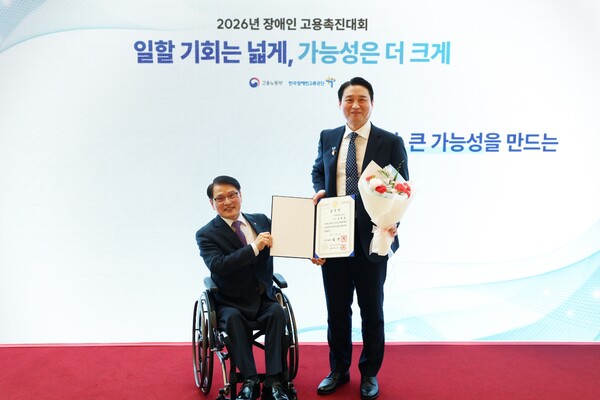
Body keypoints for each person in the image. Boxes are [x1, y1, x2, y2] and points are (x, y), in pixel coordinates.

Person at [311, 77, 409, 400]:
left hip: (372, 239)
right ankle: (338, 370)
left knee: (372, 311)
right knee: (337, 311)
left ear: (372, 103)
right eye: (349, 99)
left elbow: (401, 186)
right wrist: (320, 190)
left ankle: (369, 373)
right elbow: (318, 171)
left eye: (362, 99)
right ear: (340, 104)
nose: (355, 105)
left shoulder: (390, 141)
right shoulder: (328, 137)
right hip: (334, 237)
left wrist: (391, 221)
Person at [196, 175, 289, 400]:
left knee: (278, 312)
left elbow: (290, 241)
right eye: (220, 198)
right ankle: (250, 380)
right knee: (234, 320)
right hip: (230, 301)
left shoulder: (262, 221)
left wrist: (315, 253)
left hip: (263, 298)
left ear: (241, 195)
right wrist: (254, 247)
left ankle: (274, 381)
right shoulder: (206, 234)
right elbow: (218, 265)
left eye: (232, 195)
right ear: (212, 203)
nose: (227, 202)